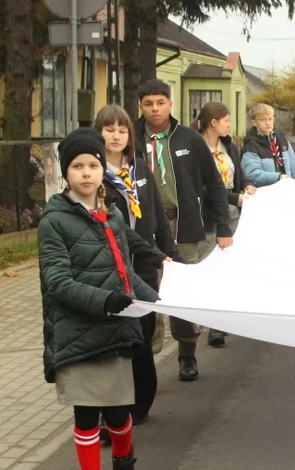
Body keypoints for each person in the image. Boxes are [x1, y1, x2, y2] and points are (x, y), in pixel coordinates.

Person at [37, 128, 160, 470]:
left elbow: (126, 274)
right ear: (66, 173)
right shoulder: (53, 222)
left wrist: (161, 297)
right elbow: (57, 281)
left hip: (116, 332)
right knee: (87, 417)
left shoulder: (112, 215)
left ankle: (123, 457)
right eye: (78, 166)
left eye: (93, 165)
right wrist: (104, 302)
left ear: (101, 171)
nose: (86, 173)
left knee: (119, 415)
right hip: (77, 331)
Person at [134, 79, 232, 383]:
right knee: (150, 293)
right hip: (144, 228)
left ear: (170, 104)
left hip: (183, 227)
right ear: (141, 106)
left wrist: (224, 228)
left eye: (160, 103)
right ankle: (147, 359)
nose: (154, 109)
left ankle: (187, 353)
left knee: (180, 293)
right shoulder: (131, 138)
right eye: (148, 104)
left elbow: (215, 185)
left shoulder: (188, 139)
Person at [96, 105, 175, 427]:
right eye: (109, 129)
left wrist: (167, 254)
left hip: (142, 267)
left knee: (143, 336)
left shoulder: (139, 168)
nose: (116, 136)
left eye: (122, 130)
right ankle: (114, 407)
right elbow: (117, 229)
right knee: (116, 341)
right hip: (109, 268)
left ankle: (141, 404)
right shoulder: (93, 173)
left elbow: (156, 214)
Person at [195, 101, 255, 348]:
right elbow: (203, 185)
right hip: (209, 213)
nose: (229, 125)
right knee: (212, 266)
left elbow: (236, 172)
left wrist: (246, 185)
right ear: (213, 122)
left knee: (230, 266)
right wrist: (232, 197)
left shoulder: (227, 145)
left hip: (234, 209)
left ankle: (222, 322)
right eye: (227, 120)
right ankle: (208, 323)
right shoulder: (196, 147)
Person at [242, 103, 295, 185]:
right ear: (255, 122)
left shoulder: (281, 139)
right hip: (264, 193)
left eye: (270, 119)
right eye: (263, 120)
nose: (268, 123)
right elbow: (253, 175)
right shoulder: (251, 145)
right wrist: (278, 177)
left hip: (283, 191)